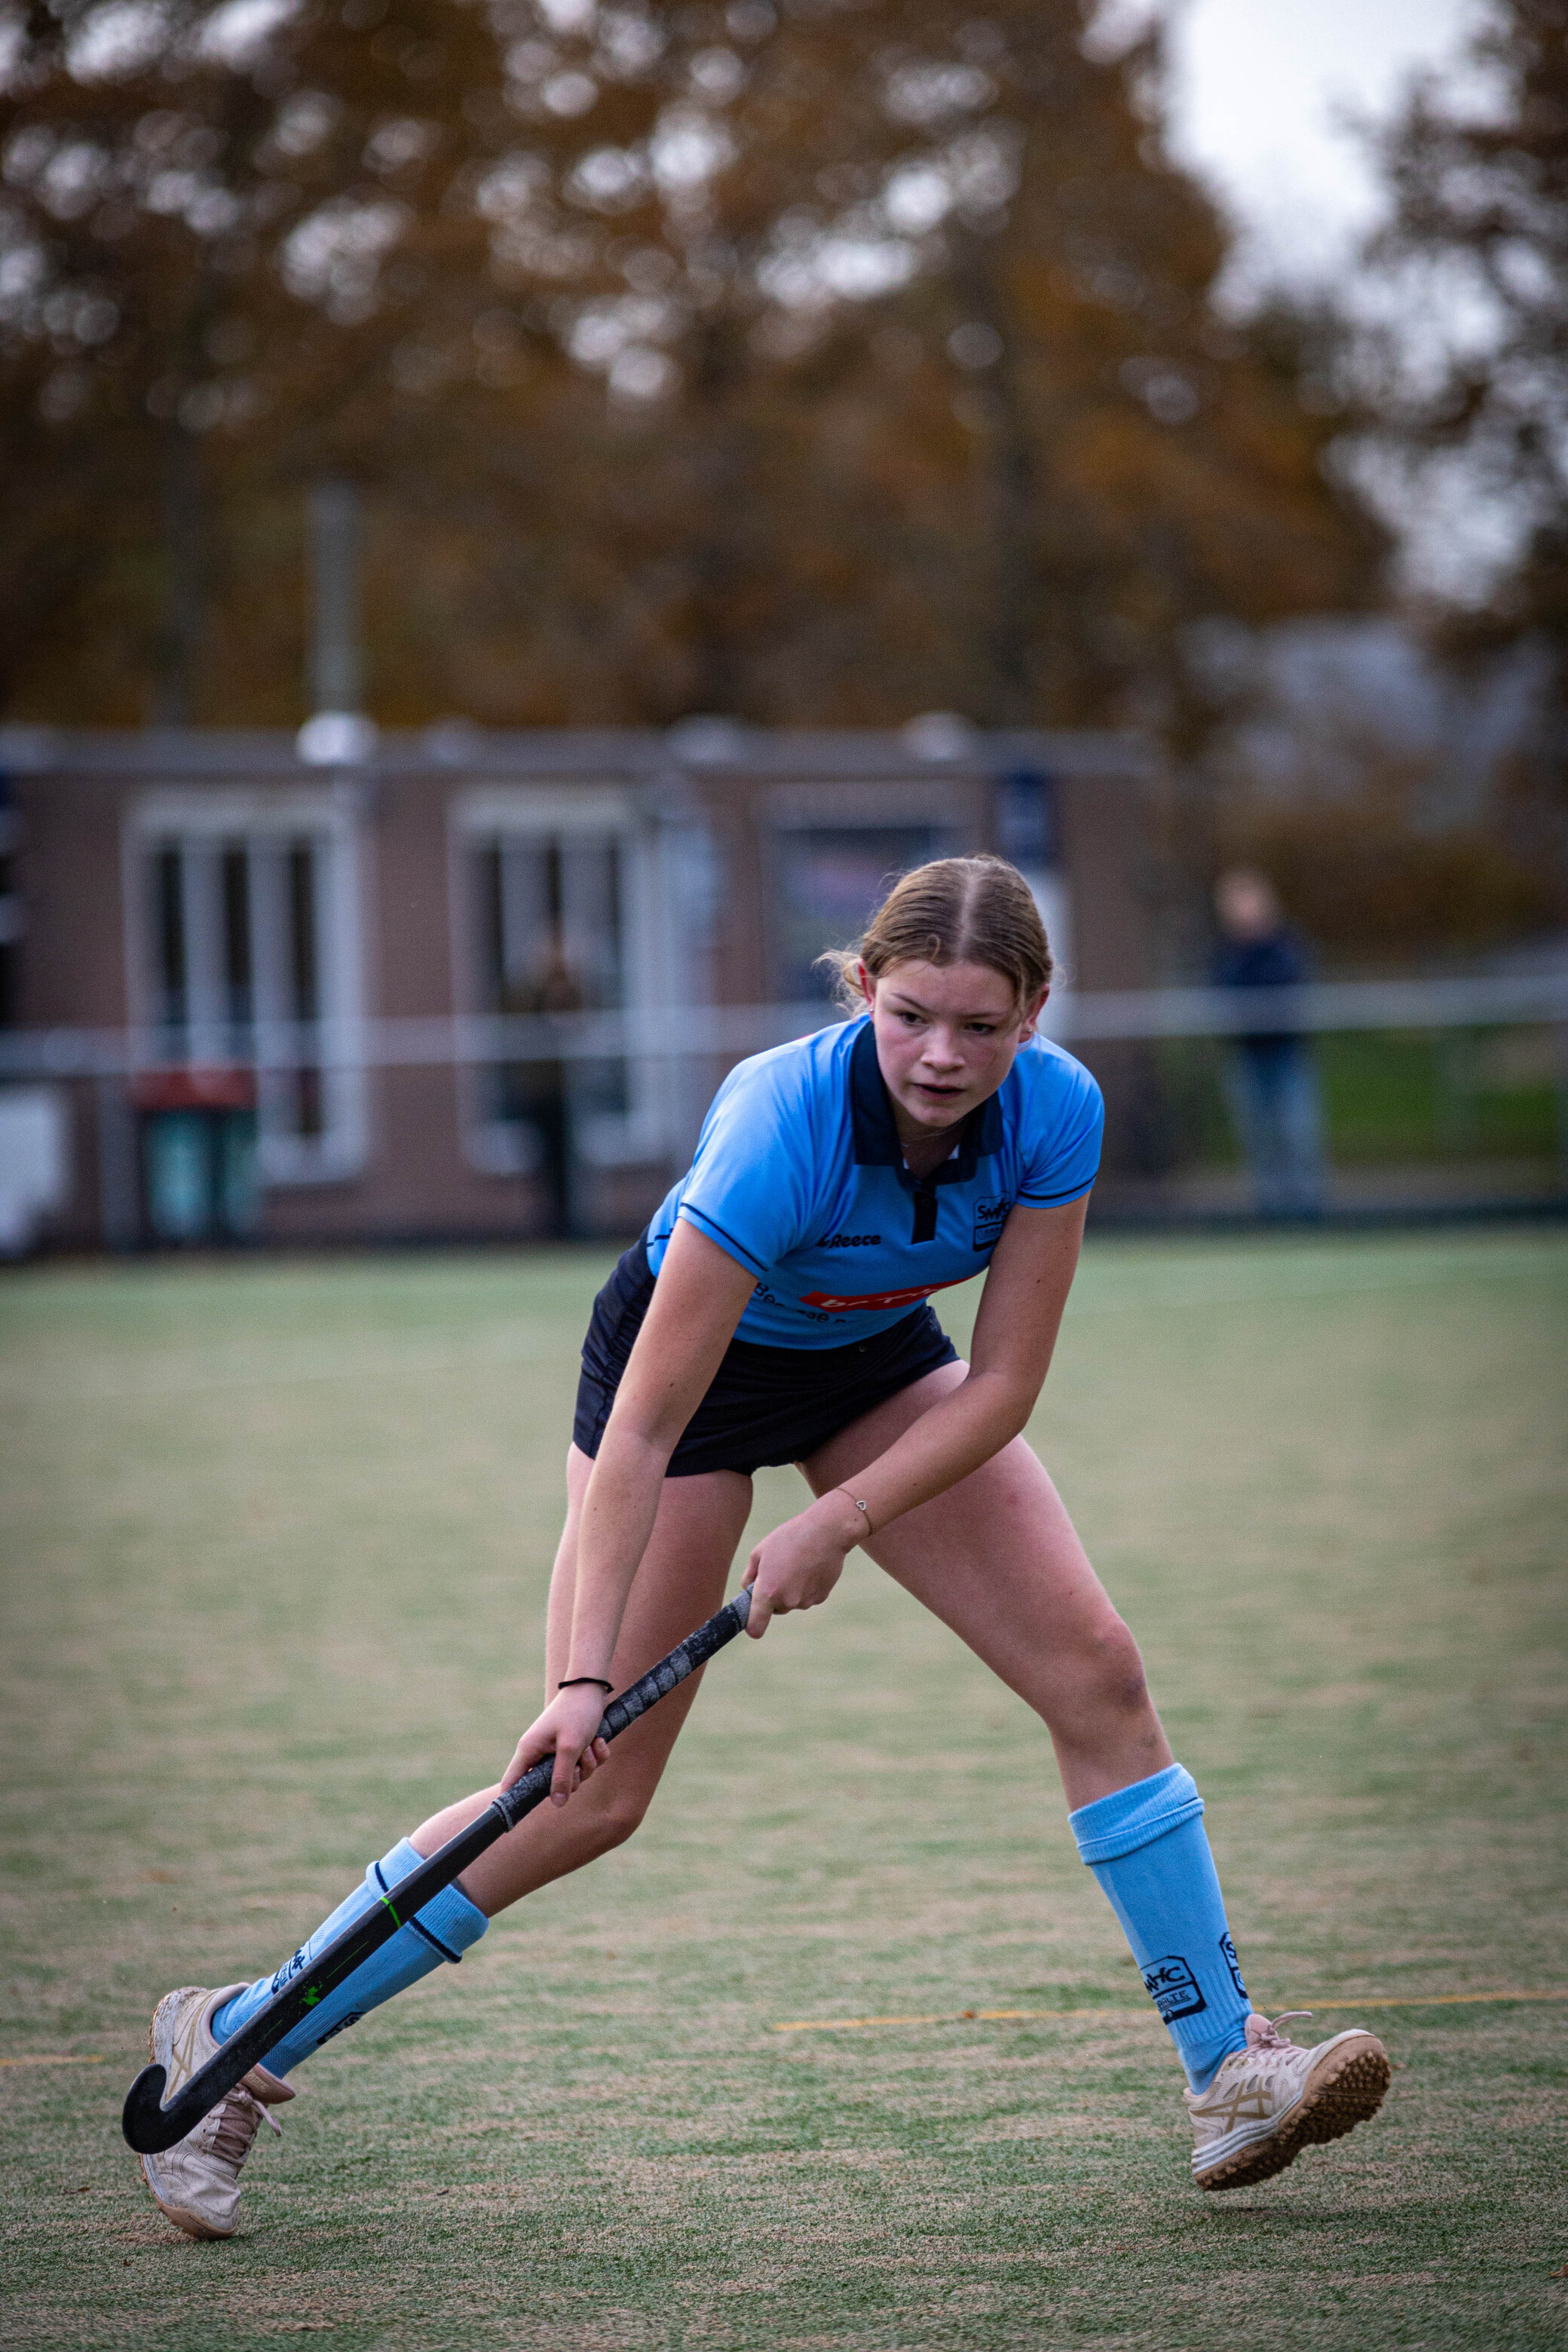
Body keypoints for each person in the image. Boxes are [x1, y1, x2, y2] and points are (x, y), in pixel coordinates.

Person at [138, 856, 1388, 2242]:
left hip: (873, 1360)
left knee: (1097, 1672)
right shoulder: (779, 1122)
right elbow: (646, 1424)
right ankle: (240, 2040)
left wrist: (841, 1518)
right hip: (685, 1394)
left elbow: (1004, 1383)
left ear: (1035, 1012)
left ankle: (1231, 2068)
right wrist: (576, 1686)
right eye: (912, 1014)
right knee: (588, 1796)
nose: (941, 1055)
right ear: (863, 988)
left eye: (981, 1025)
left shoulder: (1057, 1113)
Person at [1212, 868, 1327, 1217]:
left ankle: (1310, 1211)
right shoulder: (1225, 952)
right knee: (1259, 1139)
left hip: (1286, 1054)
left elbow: (1290, 985)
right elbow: (1221, 995)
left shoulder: (1285, 945)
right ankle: (1271, 1213)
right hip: (1246, 1056)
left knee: (1298, 1134)